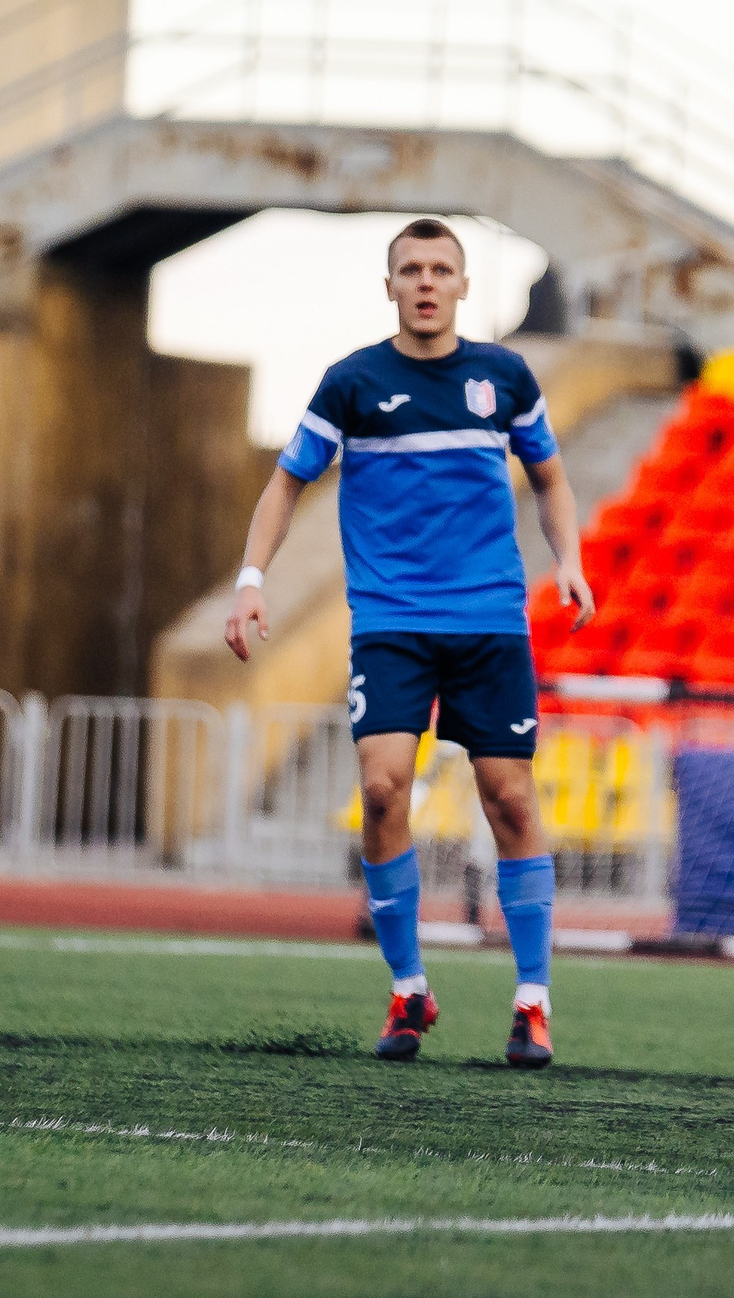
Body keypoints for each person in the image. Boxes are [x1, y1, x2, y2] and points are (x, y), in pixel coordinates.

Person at [225, 218, 597, 1067]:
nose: (426, 282)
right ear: (388, 286)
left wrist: (569, 557)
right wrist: (251, 581)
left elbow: (550, 477)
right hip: (391, 624)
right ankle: (407, 991)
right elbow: (286, 485)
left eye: (441, 269)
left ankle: (532, 1003)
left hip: (490, 623)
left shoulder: (503, 376)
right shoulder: (353, 382)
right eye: (410, 270)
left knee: (509, 799)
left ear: (464, 286)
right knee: (383, 789)